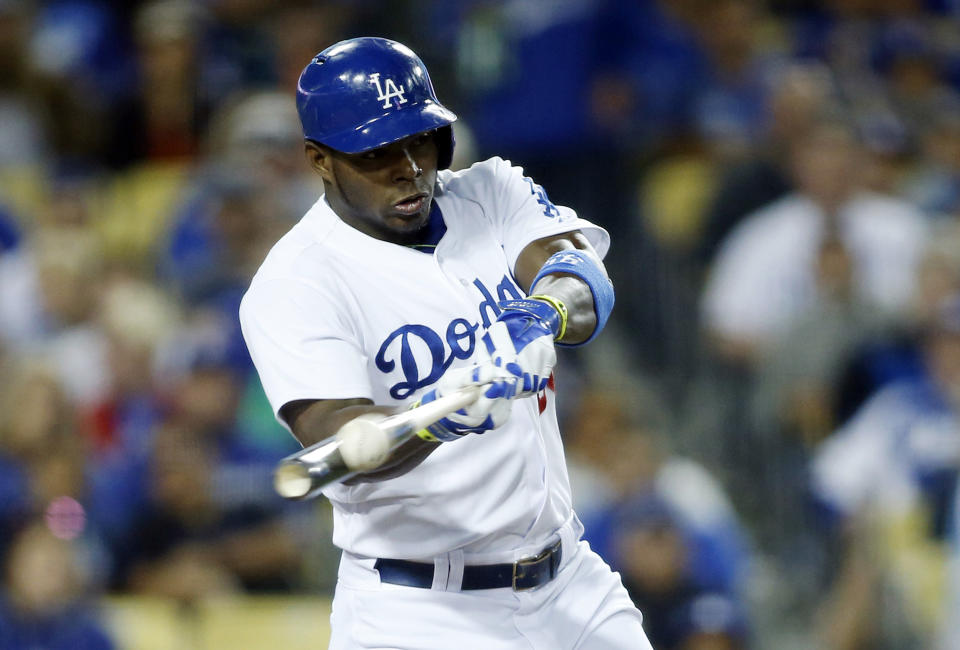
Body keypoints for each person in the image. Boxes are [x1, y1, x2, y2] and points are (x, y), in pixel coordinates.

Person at [239, 37, 649, 649]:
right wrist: (438, 415)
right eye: (378, 152)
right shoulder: (295, 281)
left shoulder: (487, 190)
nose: (408, 167)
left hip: (569, 583)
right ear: (320, 159)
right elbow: (334, 433)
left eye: (419, 140)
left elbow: (586, 281)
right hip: (420, 611)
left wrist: (538, 316)